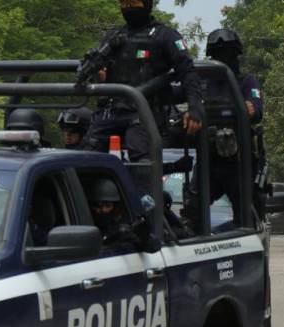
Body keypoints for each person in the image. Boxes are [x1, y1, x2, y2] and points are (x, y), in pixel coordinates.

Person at [80, 0, 204, 162]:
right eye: (124, 3)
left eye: (134, 3)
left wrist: (194, 109)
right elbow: (100, 72)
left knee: (141, 159)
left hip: (145, 112)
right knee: (85, 156)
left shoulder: (165, 35)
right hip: (112, 110)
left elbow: (188, 72)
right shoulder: (113, 36)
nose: (128, 8)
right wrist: (97, 75)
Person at [184, 29, 264, 228]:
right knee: (192, 213)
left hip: (238, 162)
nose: (224, 58)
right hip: (208, 162)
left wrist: (249, 109)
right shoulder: (200, 84)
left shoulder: (246, 81)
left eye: (228, 53)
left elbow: (256, 109)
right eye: (219, 53)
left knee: (247, 218)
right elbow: (179, 99)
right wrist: (191, 113)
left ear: (237, 55)